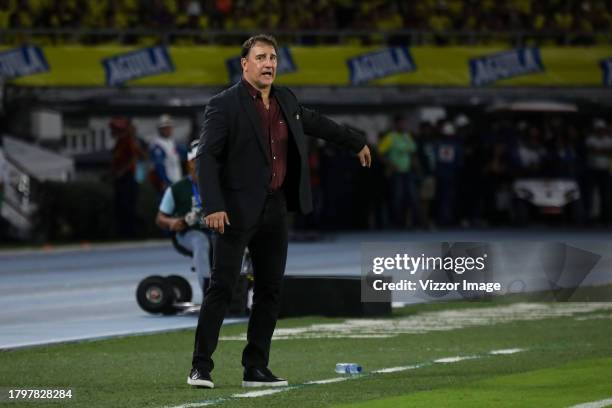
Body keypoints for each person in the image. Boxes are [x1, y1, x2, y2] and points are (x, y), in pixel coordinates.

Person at [189, 34, 371, 389]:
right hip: (234, 213)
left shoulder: (286, 99)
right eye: (260, 57)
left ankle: (255, 367)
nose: (268, 63)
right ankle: (200, 366)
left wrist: (357, 141)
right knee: (222, 288)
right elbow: (206, 157)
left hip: (275, 209)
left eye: (272, 57)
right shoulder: (224, 104)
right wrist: (213, 206)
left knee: (270, 290)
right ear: (245, 64)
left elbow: (320, 125)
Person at [156, 140, 212, 297]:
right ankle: (208, 291)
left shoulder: (218, 184)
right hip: (189, 233)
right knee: (201, 241)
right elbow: (160, 218)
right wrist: (172, 222)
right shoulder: (177, 189)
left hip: (216, 231)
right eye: (196, 161)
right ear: (190, 163)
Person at [109, 116, 143, 238]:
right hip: (121, 179)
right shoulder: (119, 142)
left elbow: (133, 157)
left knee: (127, 205)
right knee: (120, 206)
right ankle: (123, 232)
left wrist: (121, 172)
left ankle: (130, 232)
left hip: (128, 178)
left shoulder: (128, 141)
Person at [149, 114, 183, 195]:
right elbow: (159, 166)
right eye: (165, 128)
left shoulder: (172, 142)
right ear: (160, 129)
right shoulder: (158, 144)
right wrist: (166, 181)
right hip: (167, 183)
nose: (168, 130)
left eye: (169, 127)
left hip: (177, 181)